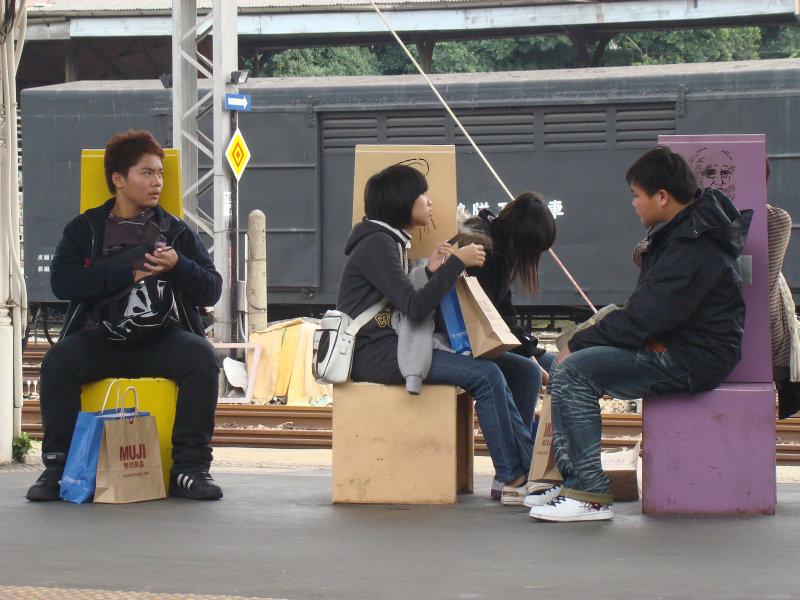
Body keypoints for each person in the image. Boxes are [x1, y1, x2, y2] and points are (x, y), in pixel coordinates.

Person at [526, 146, 752, 522]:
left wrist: (579, 343)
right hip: (683, 344)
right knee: (574, 366)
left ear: (662, 197)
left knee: (574, 370)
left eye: (636, 195)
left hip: (692, 356)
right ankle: (573, 484)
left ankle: (590, 494)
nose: (633, 204)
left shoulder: (693, 246)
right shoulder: (689, 230)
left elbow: (644, 318)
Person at [26, 130, 224, 502]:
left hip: (160, 336)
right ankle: (58, 468)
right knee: (56, 363)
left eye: (160, 173)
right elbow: (62, 282)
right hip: (101, 336)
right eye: (146, 173)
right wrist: (129, 273)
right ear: (118, 179)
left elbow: (212, 287)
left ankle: (190, 468)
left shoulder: (176, 232)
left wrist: (178, 265)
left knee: (201, 357)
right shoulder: (85, 229)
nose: (157, 182)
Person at [337, 163, 535, 502]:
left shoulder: (386, 241)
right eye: (422, 195)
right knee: (486, 375)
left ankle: (529, 465)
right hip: (378, 353)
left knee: (523, 370)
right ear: (401, 201)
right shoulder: (377, 244)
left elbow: (403, 299)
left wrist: (429, 271)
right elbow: (414, 307)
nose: (429, 202)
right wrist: (457, 262)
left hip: (397, 344)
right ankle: (512, 477)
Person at [455, 193, 557, 499]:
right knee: (528, 371)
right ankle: (515, 470)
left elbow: (504, 312)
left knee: (552, 365)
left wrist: (534, 351)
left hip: (488, 338)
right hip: (467, 341)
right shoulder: (485, 249)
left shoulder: (499, 245)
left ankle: (531, 463)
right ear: (521, 236)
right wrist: (531, 357)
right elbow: (484, 317)